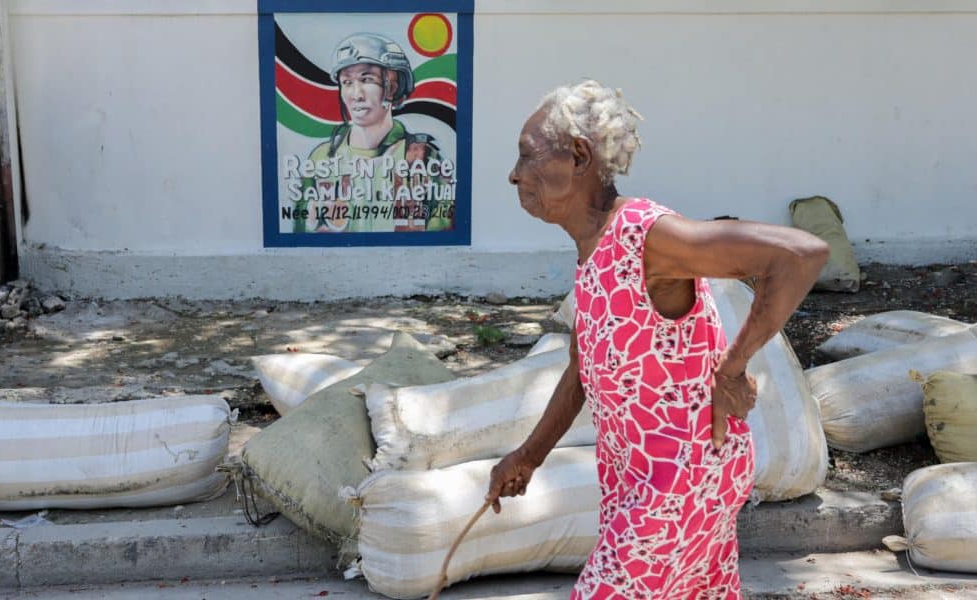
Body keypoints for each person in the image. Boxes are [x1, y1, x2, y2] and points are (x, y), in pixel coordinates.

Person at [485, 81, 829, 599]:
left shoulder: (645, 235)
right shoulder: (592, 253)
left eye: (526, 156)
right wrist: (528, 456)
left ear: (577, 155)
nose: (514, 174)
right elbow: (583, 370)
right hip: (644, 482)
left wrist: (732, 368)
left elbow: (799, 254)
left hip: (682, 480)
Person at [293, 33, 454, 234]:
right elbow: (300, 234)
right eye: (347, 82)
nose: (356, 94)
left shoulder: (423, 156)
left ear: (392, 88)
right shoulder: (321, 158)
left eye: (367, 79)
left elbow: (442, 236)